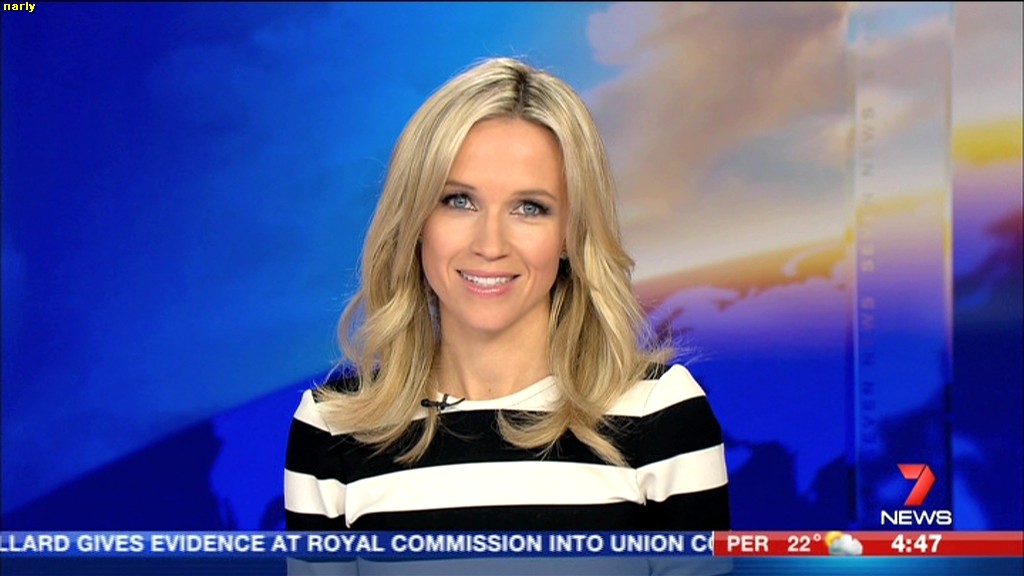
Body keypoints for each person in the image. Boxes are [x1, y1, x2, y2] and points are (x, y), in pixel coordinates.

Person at [284, 57, 729, 531]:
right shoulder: (332, 427)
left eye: (530, 208)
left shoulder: (659, 414)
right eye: (459, 201)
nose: (490, 244)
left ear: (570, 233)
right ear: (415, 222)